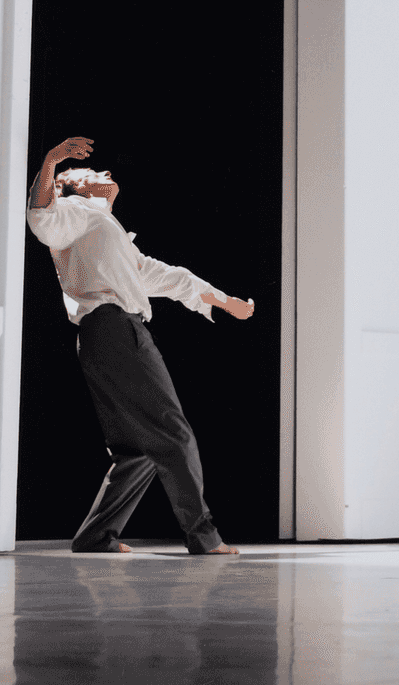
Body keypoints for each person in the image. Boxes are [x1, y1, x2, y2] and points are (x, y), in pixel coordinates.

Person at [27, 135, 254, 555]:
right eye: (92, 173)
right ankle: (203, 537)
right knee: (172, 432)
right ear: (72, 188)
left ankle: (96, 537)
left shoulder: (106, 234)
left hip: (102, 338)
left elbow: (168, 276)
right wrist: (53, 161)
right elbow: (42, 216)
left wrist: (225, 301)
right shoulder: (75, 214)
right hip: (114, 330)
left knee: (137, 451)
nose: (105, 173)